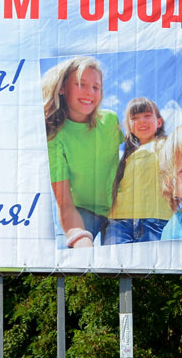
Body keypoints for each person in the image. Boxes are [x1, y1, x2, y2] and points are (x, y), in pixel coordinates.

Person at [43, 55, 124, 248]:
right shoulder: (54, 138)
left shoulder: (110, 120)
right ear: (62, 88)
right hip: (82, 211)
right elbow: (65, 204)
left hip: (120, 210)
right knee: (73, 253)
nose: (90, 93)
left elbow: (135, 152)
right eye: (81, 84)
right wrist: (78, 235)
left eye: (96, 87)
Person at [105, 97, 172, 244]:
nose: (142, 121)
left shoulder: (169, 145)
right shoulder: (124, 156)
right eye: (135, 118)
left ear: (159, 122)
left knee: (153, 266)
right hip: (119, 221)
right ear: (128, 126)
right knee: (113, 266)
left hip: (157, 220)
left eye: (147, 116)